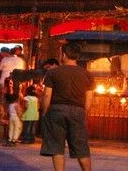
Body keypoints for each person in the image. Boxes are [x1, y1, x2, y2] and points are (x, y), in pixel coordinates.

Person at [40, 42, 94, 171]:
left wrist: (44, 112)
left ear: (63, 55)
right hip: (78, 111)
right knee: (81, 148)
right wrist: (83, 113)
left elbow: (47, 96)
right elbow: (90, 98)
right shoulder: (87, 74)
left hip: (56, 110)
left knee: (57, 147)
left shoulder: (53, 73)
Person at [2, 78, 22, 146]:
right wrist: (20, 117)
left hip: (11, 118)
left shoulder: (10, 105)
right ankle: (14, 139)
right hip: (16, 118)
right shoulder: (16, 104)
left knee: (11, 128)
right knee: (16, 128)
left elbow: (7, 111)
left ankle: (10, 139)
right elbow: (18, 111)